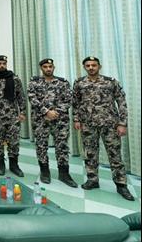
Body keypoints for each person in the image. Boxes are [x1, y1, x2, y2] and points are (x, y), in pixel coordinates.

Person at [73, 56, 134, 201]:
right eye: (88, 65)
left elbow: (121, 102)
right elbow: (75, 102)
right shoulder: (79, 83)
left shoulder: (110, 82)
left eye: (94, 65)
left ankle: (121, 184)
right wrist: (76, 119)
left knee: (115, 155)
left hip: (110, 124)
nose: (91, 68)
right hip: (88, 124)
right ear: (85, 67)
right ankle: (92, 180)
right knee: (90, 154)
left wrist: (122, 123)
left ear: (99, 66)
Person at [27, 58, 77, 187]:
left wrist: (55, 112)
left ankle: (64, 173)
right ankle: (45, 171)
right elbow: (32, 98)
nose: (48, 69)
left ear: (53, 67)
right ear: (41, 68)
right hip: (40, 119)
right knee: (41, 145)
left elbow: (68, 100)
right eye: (45, 67)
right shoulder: (34, 82)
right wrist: (46, 112)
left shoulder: (63, 82)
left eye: (50, 66)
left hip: (60, 120)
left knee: (62, 146)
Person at [0, 55, 26, 177]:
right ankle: (0, 164)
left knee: (14, 142)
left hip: (12, 116)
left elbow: (20, 96)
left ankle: (14, 165)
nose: (2, 66)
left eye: (4, 63)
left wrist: (22, 112)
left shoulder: (14, 78)